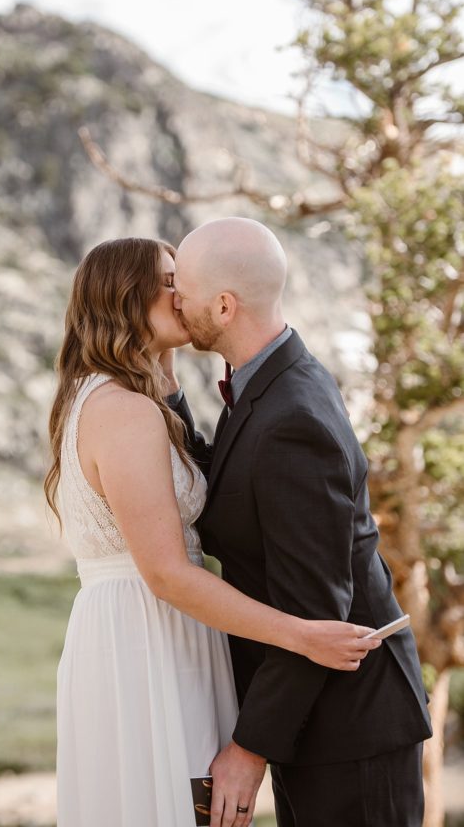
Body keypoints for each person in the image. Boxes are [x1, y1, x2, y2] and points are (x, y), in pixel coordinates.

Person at [45, 237, 381, 827]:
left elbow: (210, 493)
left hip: (160, 633)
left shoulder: (126, 400)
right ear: (128, 298)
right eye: (169, 281)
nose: (182, 295)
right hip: (148, 639)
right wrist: (300, 635)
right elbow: (169, 573)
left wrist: (167, 383)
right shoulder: (124, 411)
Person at [167, 217, 432, 827]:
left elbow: (313, 604)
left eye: (183, 289)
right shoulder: (274, 381)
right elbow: (238, 489)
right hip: (324, 720)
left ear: (225, 305)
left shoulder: (293, 418)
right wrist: (166, 390)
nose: (175, 301)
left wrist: (248, 749)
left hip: (352, 727)